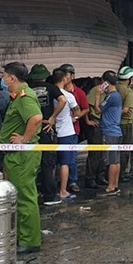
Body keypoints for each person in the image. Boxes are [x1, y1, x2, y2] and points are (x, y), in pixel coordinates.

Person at [0, 62, 43, 254]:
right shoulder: (18, 97)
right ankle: (22, 236)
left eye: (4, 76)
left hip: (23, 156)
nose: (2, 79)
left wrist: (24, 139)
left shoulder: (25, 97)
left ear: (12, 78)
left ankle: (30, 241)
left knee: (25, 197)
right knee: (19, 196)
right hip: (16, 155)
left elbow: (36, 118)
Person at [29, 64, 67, 206]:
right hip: (46, 127)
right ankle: (49, 195)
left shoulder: (28, 89)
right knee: (47, 163)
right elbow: (63, 101)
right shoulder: (51, 87)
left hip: (32, 128)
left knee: (32, 161)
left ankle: (33, 191)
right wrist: (52, 117)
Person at [59, 64, 90, 193]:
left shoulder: (79, 93)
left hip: (73, 129)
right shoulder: (57, 92)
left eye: (67, 75)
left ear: (72, 76)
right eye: (63, 75)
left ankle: (72, 181)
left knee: (71, 158)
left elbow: (86, 108)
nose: (65, 78)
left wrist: (77, 118)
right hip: (59, 129)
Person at [51, 69, 80, 200]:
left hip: (51, 131)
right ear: (64, 79)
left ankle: (50, 189)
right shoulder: (68, 96)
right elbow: (77, 112)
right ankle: (63, 190)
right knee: (65, 163)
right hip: (66, 132)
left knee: (51, 163)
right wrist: (73, 116)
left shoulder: (48, 93)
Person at [95, 70, 123, 196]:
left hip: (110, 131)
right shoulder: (116, 95)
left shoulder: (111, 96)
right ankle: (115, 184)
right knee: (116, 160)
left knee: (112, 160)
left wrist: (97, 95)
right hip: (116, 131)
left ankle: (111, 186)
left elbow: (98, 110)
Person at [84, 77, 106, 189]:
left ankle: (100, 176)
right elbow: (86, 106)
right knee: (95, 153)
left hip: (103, 123)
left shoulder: (108, 91)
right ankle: (90, 178)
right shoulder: (96, 90)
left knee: (101, 153)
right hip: (95, 123)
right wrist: (88, 121)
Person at [117, 66, 133, 182]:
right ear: (129, 78)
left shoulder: (116, 88)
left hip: (117, 124)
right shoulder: (128, 92)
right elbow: (126, 109)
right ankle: (122, 174)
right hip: (126, 124)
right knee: (125, 150)